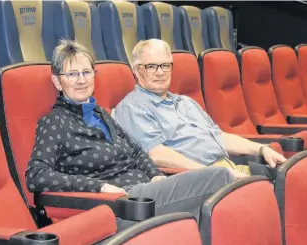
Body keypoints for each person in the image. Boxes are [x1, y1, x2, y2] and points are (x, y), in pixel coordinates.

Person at [25, 39, 236, 226]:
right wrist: (99, 187)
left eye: (86, 72)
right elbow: (36, 175)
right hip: (119, 206)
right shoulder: (54, 122)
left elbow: (136, 152)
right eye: (72, 74)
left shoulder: (101, 114)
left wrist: (155, 176)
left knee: (206, 212)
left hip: (144, 194)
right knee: (218, 178)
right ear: (57, 81)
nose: (81, 80)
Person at [113, 39, 287, 179]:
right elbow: (156, 155)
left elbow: (219, 137)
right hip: (198, 178)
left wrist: (262, 149)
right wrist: (213, 174)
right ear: (136, 71)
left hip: (228, 167)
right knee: (271, 196)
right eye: (151, 67)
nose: (160, 73)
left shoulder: (185, 102)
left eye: (166, 65)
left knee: (290, 177)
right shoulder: (133, 107)